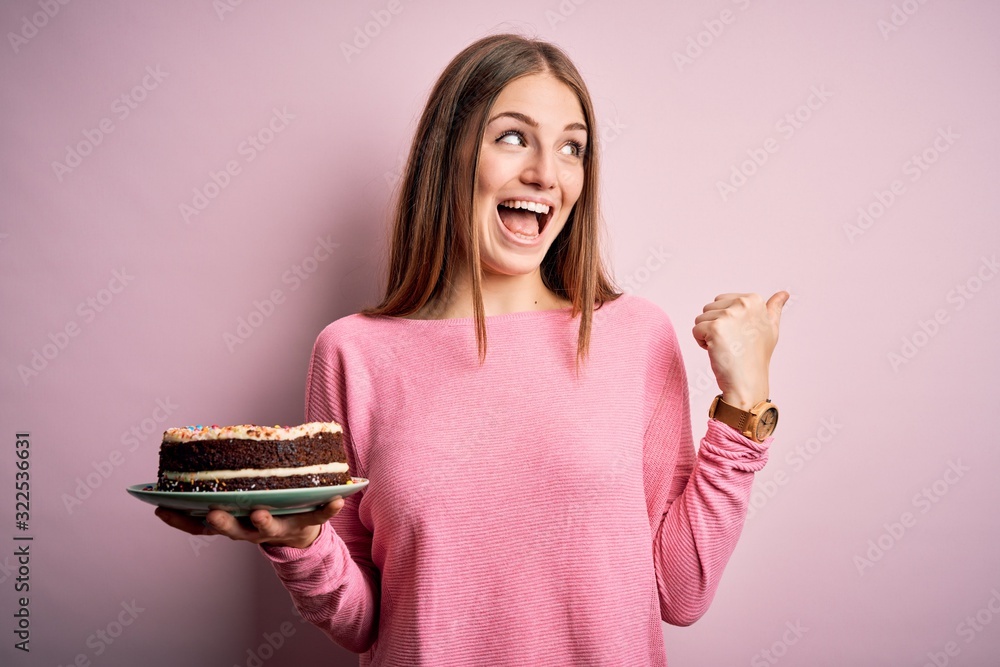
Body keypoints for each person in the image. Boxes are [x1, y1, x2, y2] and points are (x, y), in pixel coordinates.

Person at [156, 32, 789, 666]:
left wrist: (745, 404)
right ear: (450, 155)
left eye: (572, 147)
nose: (546, 173)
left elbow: (680, 593)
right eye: (513, 137)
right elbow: (363, 621)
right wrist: (300, 541)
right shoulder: (353, 353)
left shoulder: (636, 337)